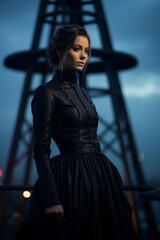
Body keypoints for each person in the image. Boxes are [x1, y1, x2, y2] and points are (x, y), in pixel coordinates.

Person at [14, 24, 140, 240]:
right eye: (76, 49)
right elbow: (40, 149)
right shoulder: (47, 93)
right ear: (60, 51)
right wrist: (52, 198)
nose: (83, 56)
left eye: (87, 51)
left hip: (100, 175)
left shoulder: (83, 92)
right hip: (71, 178)